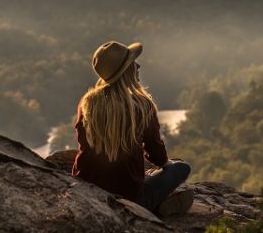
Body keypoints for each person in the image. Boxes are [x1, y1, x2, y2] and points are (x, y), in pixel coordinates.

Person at [72, 40, 194, 216]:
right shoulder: (142, 106)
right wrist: (165, 164)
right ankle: (154, 209)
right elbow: (156, 153)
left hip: (88, 191)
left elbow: (83, 144)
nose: (138, 66)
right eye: (132, 63)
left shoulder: (88, 104)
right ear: (125, 71)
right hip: (129, 199)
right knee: (181, 168)